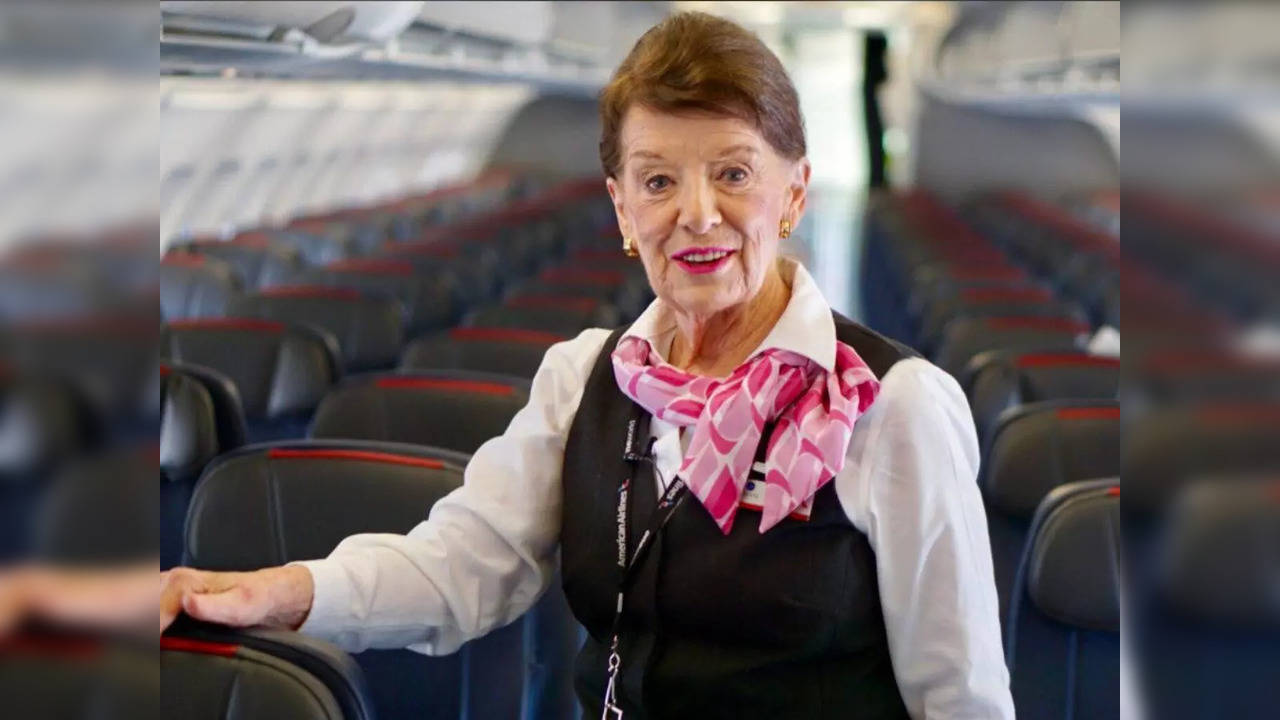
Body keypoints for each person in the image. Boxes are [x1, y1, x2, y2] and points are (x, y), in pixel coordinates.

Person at [160, 12, 1014, 719]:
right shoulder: (584, 380)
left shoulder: (891, 406)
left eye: (734, 174)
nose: (697, 214)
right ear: (620, 208)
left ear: (793, 194)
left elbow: (962, 698)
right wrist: (272, 592)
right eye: (657, 181)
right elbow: (461, 566)